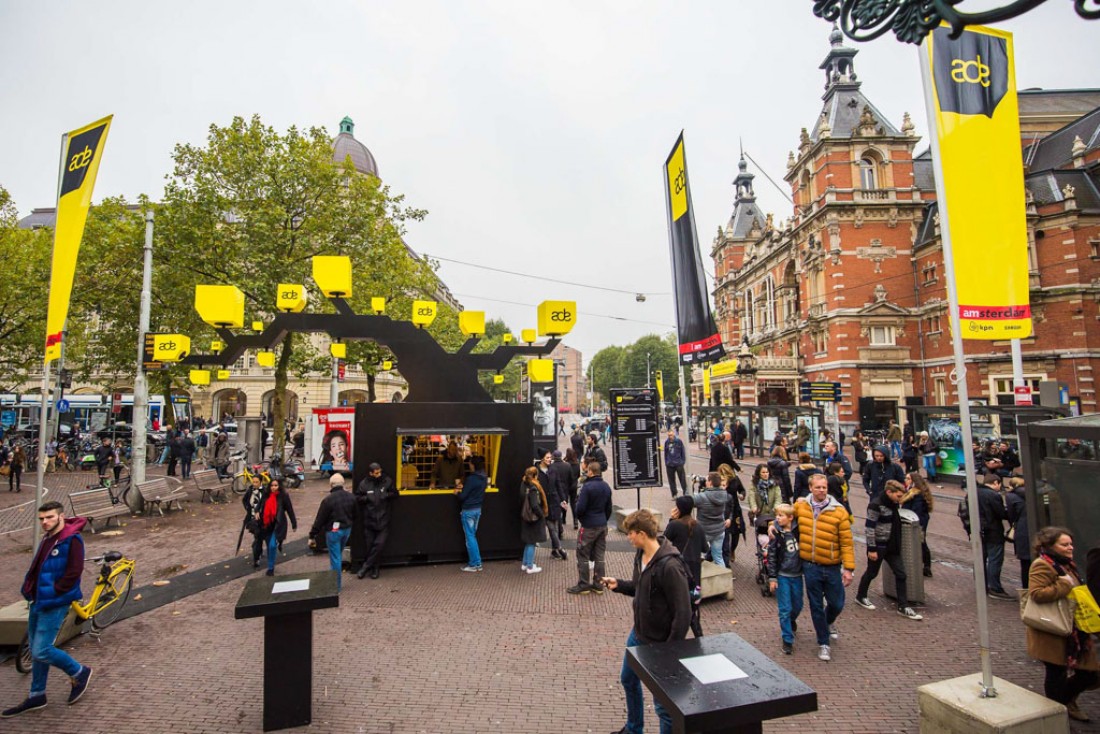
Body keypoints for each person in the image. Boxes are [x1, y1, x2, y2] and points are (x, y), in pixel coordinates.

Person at [601, 509, 691, 734]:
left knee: (663, 705)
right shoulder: (640, 555)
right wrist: (619, 585)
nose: (628, 537)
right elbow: (640, 588)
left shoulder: (670, 566)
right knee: (628, 679)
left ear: (641, 533)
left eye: (630, 533)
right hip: (639, 633)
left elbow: (683, 613)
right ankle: (634, 729)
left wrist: (670, 650)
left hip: (661, 643)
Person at [3, 502, 93, 717]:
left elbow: (74, 572)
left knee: (41, 650)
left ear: (61, 516)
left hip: (54, 602)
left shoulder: (72, 539)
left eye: (50, 517)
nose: (45, 522)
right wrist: (28, 588)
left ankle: (79, 672)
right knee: (36, 650)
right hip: (37, 600)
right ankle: (37, 695)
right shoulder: (48, 538)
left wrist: (55, 591)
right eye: (42, 519)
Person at [1026, 527, 1098, 721]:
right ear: (1049, 546)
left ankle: (1063, 703)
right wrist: (1064, 584)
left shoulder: (1066, 564)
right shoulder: (1042, 565)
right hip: (1053, 631)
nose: (1070, 548)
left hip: (1074, 630)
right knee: (1056, 674)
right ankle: (1055, 713)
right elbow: (1037, 594)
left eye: (1070, 544)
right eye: (1064, 544)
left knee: (1090, 673)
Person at [793, 473, 855, 662]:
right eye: (818, 487)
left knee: (837, 603)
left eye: (824, 487)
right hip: (810, 565)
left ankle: (828, 622)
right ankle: (823, 642)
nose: (822, 490)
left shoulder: (839, 511)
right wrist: (772, 526)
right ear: (810, 488)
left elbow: (846, 542)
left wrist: (849, 568)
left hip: (832, 565)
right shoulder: (801, 506)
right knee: (816, 605)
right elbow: (784, 518)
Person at [854, 479, 923, 620]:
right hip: (879, 545)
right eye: (898, 496)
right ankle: (861, 596)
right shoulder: (876, 505)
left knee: (901, 574)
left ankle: (903, 606)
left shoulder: (893, 504)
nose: (900, 499)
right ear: (889, 492)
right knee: (872, 573)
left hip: (891, 545)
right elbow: (869, 528)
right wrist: (871, 548)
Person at [567, 458, 613, 594]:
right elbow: (609, 508)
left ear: (591, 472)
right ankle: (599, 585)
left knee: (583, 555)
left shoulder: (587, 487)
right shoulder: (606, 486)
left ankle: (583, 584)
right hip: (602, 524)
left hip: (588, 525)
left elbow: (580, 508)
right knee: (599, 556)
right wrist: (604, 519)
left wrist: (581, 518)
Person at [665, 495, 705, 638]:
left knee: (675, 605)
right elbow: (705, 548)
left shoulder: (674, 525)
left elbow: (664, 542)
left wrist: (671, 519)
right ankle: (699, 637)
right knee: (693, 608)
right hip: (695, 574)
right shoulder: (698, 526)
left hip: (679, 569)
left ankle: (674, 639)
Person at [766, 503, 804, 655]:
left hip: (797, 575)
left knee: (798, 605)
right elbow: (772, 554)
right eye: (777, 516)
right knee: (784, 609)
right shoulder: (776, 533)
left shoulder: (799, 530)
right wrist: (772, 577)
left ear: (790, 518)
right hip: (783, 575)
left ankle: (791, 620)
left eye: (781, 516)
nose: (777, 518)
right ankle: (787, 640)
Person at [309, 474, 356, 591]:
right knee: (338, 555)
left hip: (333, 531)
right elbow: (356, 514)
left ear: (331, 484)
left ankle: (336, 585)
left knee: (335, 558)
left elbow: (320, 519)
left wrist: (312, 534)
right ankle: (333, 578)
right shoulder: (351, 497)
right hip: (346, 529)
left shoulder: (327, 500)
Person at [354, 462, 399, 579]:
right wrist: (367, 498)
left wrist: (386, 495)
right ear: (371, 473)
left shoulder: (387, 481)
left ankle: (365, 567)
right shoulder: (364, 484)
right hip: (369, 520)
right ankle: (375, 568)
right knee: (370, 546)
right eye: (376, 473)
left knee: (379, 545)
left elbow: (395, 493)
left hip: (383, 519)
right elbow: (357, 497)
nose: (379, 474)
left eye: (380, 472)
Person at [979, 473, 1013, 600]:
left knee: (981, 558)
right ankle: (995, 587)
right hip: (993, 531)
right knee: (995, 559)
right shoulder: (993, 495)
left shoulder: (974, 492)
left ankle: (982, 584)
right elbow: (1001, 513)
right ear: (995, 483)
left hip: (979, 531)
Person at [255, 478, 297, 576]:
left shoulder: (283, 496)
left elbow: (290, 510)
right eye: (272, 485)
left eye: (276, 485)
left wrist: (294, 523)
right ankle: (271, 566)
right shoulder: (266, 495)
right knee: (269, 546)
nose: (273, 488)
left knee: (273, 545)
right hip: (267, 524)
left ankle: (270, 568)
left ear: (279, 486)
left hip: (278, 525)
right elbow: (259, 505)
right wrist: (257, 511)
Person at [455, 456, 488, 572]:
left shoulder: (471, 479)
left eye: (470, 463)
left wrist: (457, 492)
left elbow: (463, 496)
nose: (469, 465)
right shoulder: (484, 477)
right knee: (472, 536)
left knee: (470, 537)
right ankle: (477, 562)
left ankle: (475, 564)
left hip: (468, 510)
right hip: (478, 509)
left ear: (473, 465)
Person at [693, 472, 731, 569]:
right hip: (719, 531)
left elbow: (688, 501)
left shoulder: (702, 497)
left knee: (697, 556)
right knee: (718, 557)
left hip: (704, 531)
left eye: (706, 480)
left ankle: (699, 579)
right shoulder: (724, 495)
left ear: (710, 482)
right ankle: (723, 577)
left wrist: (692, 486)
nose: (705, 482)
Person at [902, 471, 934, 578]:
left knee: (921, 542)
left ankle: (926, 566)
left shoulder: (917, 494)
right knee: (921, 542)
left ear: (914, 481)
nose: (905, 480)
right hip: (918, 520)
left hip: (918, 522)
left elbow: (916, 511)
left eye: (908, 479)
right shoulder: (910, 491)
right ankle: (925, 565)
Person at [520, 466, 548, 574]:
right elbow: (535, 505)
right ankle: (530, 566)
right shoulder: (533, 487)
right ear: (535, 475)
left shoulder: (523, 484)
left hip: (525, 516)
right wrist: (541, 515)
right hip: (532, 518)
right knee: (532, 541)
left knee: (528, 541)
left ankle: (525, 563)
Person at [1004, 477, 1031, 589]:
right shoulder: (1034, 493)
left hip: (1022, 531)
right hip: (1038, 531)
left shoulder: (1011, 497)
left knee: (1025, 564)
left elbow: (1012, 516)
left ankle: (1026, 591)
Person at [718, 464, 745, 568]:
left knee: (736, 533)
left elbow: (742, 490)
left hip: (735, 509)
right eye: (721, 473)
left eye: (725, 472)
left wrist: (742, 495)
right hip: (724, 510)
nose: (723, 475)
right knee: (724, 534)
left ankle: (732, 549)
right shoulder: (718, 481)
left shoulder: (735, 480)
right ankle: (724, 555)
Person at [547, 450, 572, 558]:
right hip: (562, 493)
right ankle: (558, 547)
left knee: (554, 525)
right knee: (556, 522)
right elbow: (571, 479)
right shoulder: (567, 465)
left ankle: (556, 548)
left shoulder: (551, 468)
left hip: (554, 497)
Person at [242, 474, 267, 568]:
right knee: (257, 537)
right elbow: (244, 500)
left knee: (260, 537)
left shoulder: (265, 491)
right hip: (253, 519)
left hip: (263, 519)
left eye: (256, 482)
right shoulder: (250, 491)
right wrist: (248, 509)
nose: (255, 484)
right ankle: (256, 558)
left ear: (261, 482)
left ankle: (258, 551)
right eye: (253, 482)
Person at [663, 429, 687, 498]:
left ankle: (685, 492)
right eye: (669, 435)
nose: (670, 437)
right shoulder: (666, 442)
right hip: (670, 464)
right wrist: (666, 462)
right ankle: (674, 494)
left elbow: (683, 451)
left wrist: (682, 461)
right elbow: (665, 452)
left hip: (678, 463)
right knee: (671, 480)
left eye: (671, 435)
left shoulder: (679, 441)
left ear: (674, 435)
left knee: (682, 479)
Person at [768, 437, 792, 503]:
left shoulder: (769, 462)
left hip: (773, 483)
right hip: (782, 485)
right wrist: (790, 493)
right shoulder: (782, 463)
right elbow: (786, 478)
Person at [563, 447, 582, 530]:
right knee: (573, 503)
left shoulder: (565, 464)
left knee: (565, 502)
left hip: (566, 486)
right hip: (574, 485)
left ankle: (563, 518)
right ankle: (575, 520)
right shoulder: (577, 464)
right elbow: (578, 475)